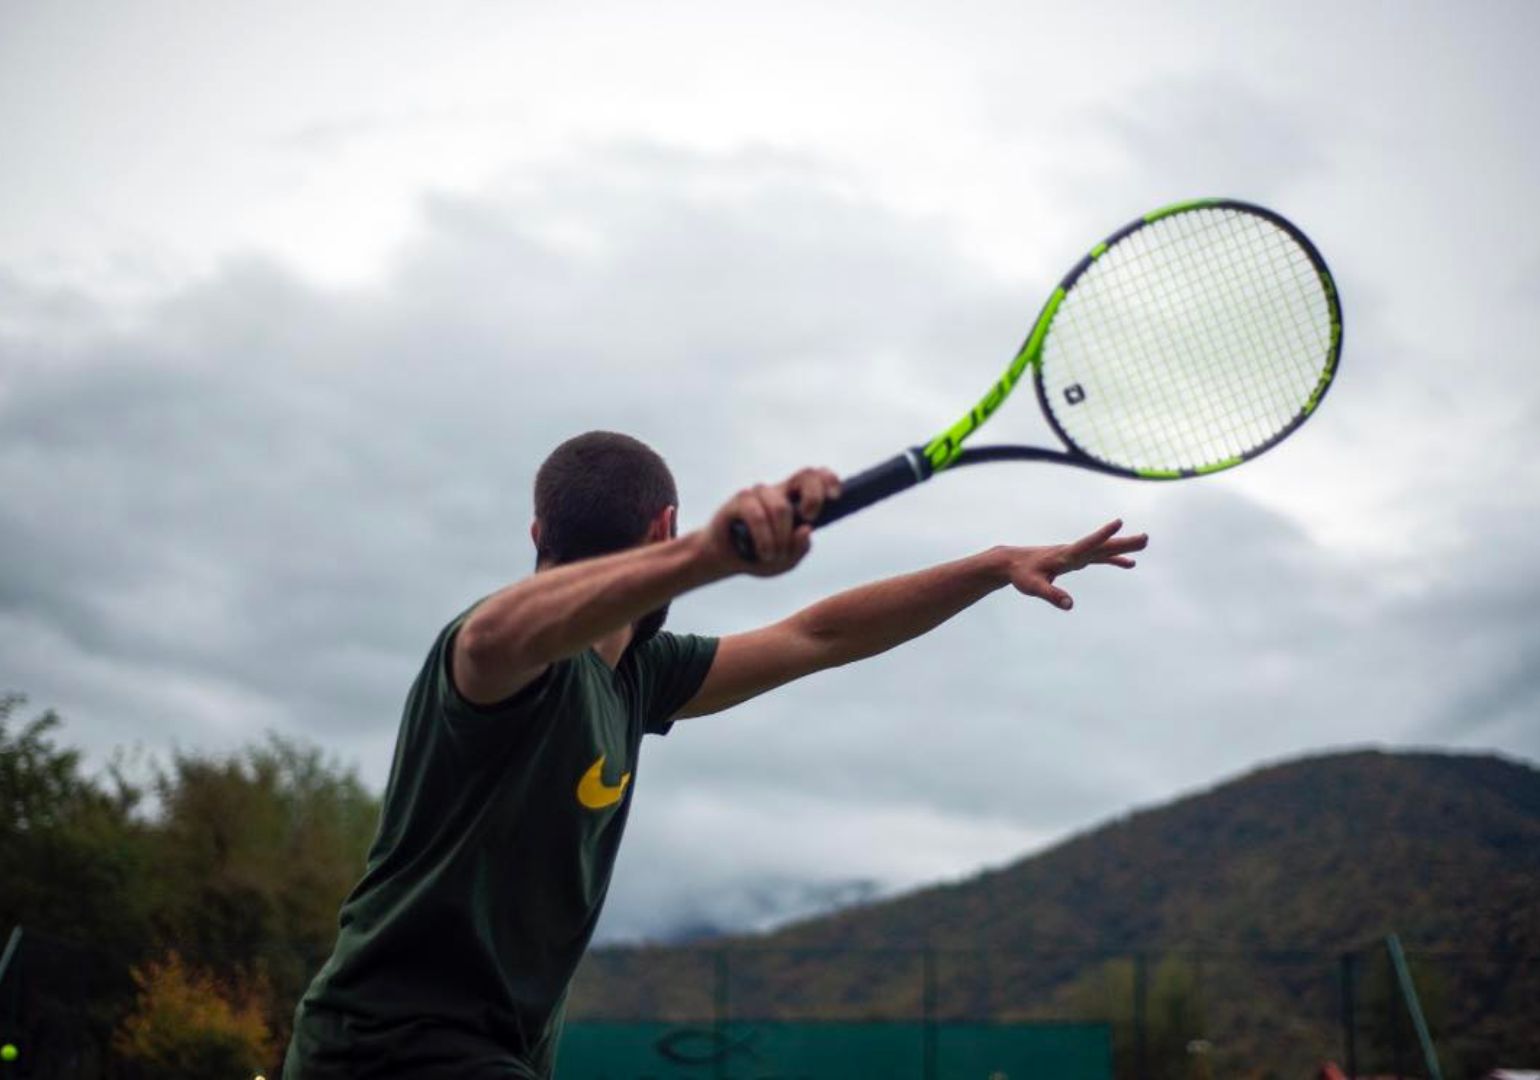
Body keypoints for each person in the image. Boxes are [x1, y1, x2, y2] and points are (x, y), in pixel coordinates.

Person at [283, 430, 1147, 1079]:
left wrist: (992, 564)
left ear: (536, 527)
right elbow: (494, 634)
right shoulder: (511, 658)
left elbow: (820, 634)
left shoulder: (642, 676)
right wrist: (703, 554)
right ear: (665, 523)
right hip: (390, 1048)